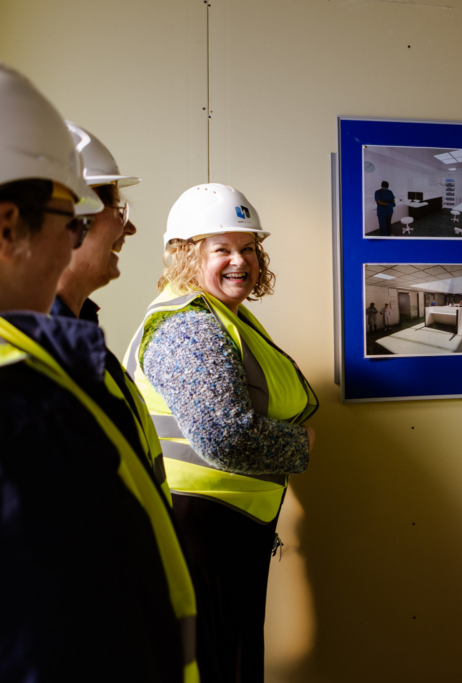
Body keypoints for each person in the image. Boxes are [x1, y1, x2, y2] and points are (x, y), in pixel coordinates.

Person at [0, 64, 197, 682]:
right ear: (9, 227)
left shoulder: (55, 370)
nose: (75, 238)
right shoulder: (24, 409)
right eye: (72, 218)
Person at [124, 183, 319, 683]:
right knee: (216, 667)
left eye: (248, 248)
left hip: (224, 529)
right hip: (199, 530)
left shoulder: (219, 316)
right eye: (222, 250)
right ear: (187, 256)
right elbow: (224, 437)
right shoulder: (189, 328)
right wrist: (302, 444)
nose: (241, 261)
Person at [53, 122, 171, 499]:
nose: (129, 227)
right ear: (72, 214)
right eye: (117, 210)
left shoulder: (77, 336)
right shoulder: (35, 354)